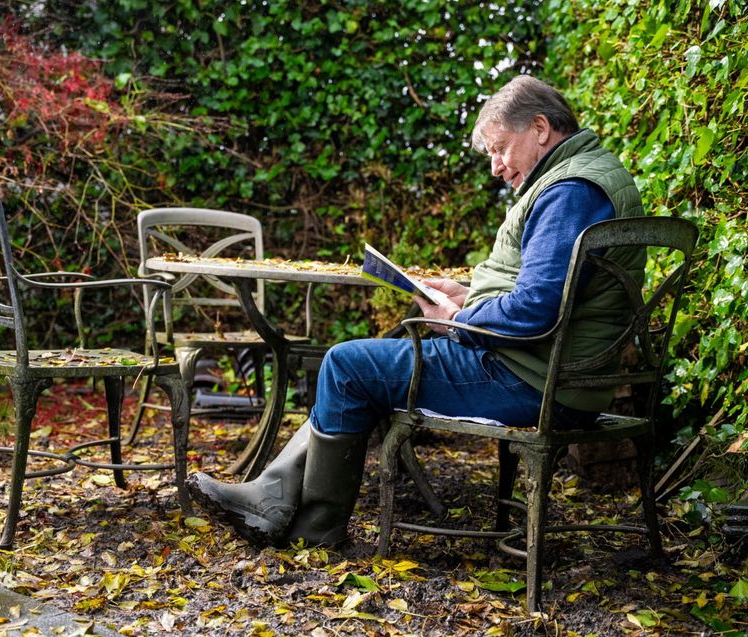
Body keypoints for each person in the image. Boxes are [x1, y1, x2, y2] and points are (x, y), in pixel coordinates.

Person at [186, 74, 644, 548]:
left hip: (533, 378)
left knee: (346, 365)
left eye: (500, 148)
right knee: (367, 365)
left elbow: (535, 310)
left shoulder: (569, 190)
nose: (495, 166)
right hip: (548, 369)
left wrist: (456, 320)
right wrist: (468, 296)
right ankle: (271, 495)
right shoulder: (588, 177)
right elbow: (556, 293)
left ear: (541, 129)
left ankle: (312, 532)